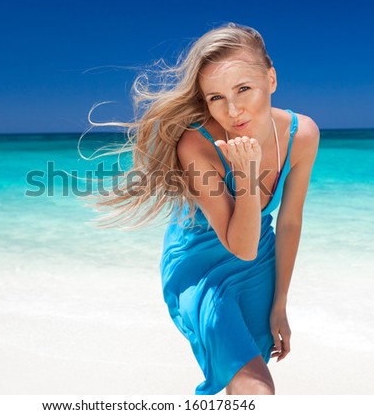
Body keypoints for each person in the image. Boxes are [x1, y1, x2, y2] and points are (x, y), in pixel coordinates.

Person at [86, 22, 320, 395]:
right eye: (215, 97)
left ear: (271, 79)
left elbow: (289, 223)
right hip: (200, 268)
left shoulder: (302, 134)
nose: (232, 109)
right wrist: (246, 175)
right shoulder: (197, 145)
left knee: (245, 379)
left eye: (244, 88)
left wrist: (280, 304)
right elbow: (237, 245)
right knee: (257, 388)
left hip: (259, 258)